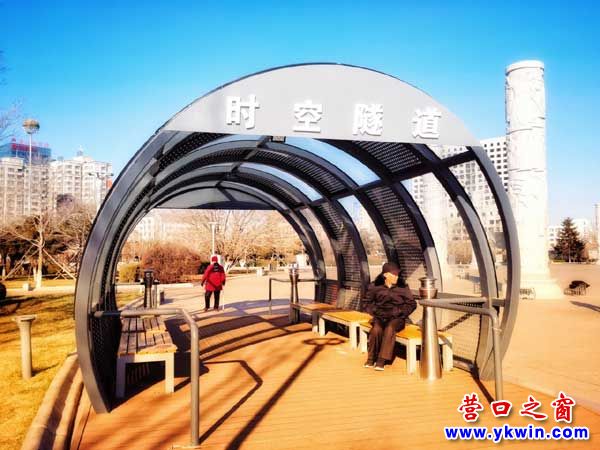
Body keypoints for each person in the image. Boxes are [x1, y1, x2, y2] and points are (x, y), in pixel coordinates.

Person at [360, 262, 416, 371]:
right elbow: (366, 302)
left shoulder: (403, 287)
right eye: (394, 274)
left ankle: (381, 360)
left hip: (397, 318)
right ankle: (371, 358)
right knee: (376, 330)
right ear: (385, 275)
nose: (396, 277)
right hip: (380, 316)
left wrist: (399, 312)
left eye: (397, 274)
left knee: (390, 328)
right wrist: (375, 311)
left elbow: (412, 304)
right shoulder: (375, 286)